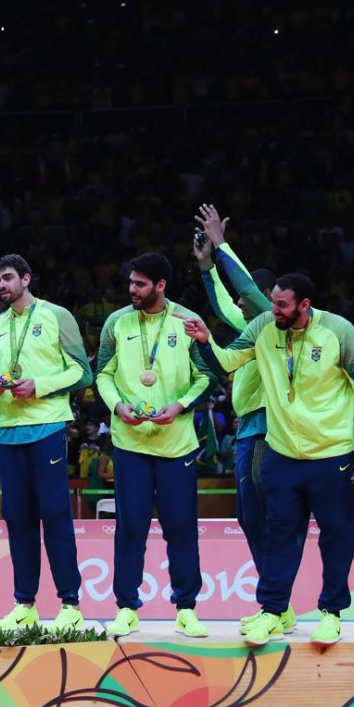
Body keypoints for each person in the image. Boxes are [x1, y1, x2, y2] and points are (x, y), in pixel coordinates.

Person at [182, 272, 354, 647]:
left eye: (282, 305)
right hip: (281, 452)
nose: (274, 310)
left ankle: (331, 614)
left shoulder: (339, 331)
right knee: (278, 534)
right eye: (272, 302)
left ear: (304, 305)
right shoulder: (263, 327)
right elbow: (226, 363)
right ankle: (272, 612)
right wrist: (206, 343)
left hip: (332, 453)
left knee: (336, 534)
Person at [95, 253, 216, 639]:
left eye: (140, 284)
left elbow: (206, 375)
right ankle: (126, 607)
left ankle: (186, 608)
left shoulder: (186, 321)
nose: (132, 290)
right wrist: (118, 405)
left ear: (161, 285)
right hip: (130, 442)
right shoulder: (117, 322)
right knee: (130, 526)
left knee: (180, 527)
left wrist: (180, 406)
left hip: (176, 443)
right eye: (131, 283)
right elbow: (103, 373)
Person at [0, 255, 93, 632]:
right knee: (17, 518)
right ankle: (24, 602)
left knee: (55, 515)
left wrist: (39, 386)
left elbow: (81, 371)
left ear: (26, 279)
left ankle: (70, 604)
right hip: (8, 431)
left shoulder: (56, 316)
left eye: (8, 278)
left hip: (46, 427)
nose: (1, 285)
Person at [192, 204, 280, 629]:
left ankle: (276, 605)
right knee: (250, 517)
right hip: (248, 429)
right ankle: (276, 602)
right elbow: (226, 303)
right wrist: (207, 266)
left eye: (245, 302)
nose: (237, 309)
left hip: (267, 428)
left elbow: (248, 296)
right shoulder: (251, 328)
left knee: (264, 514)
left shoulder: (271, 324)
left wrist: (223, 248)